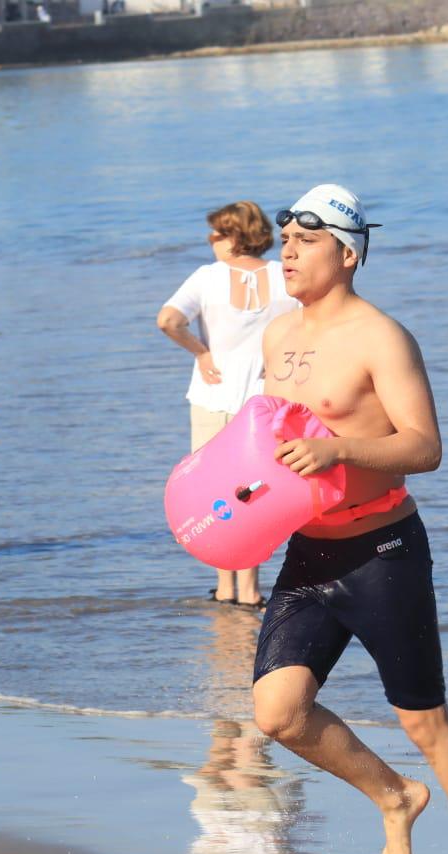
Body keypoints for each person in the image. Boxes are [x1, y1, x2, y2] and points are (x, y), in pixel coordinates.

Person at [251, 183, 448, 854]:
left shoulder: (382, 338)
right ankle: (394, 796)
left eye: (306, 241)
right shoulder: (277, 335)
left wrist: (338, 449)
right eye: (285, 239)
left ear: (348, 254)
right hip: (308, 550)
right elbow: (265, 440)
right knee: (278, 712)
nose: (288, 252)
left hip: (382, 552)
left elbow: (425, 447)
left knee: (425, 722)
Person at [158, 200, 299, 608]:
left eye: (216, 233)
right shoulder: (283, 275)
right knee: (256, 492)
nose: (210, 241)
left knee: (213, 492)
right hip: (266, 403)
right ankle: (251, 591)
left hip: (212, 396)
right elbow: (309, 323)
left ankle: (225, 588)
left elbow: (168, 320)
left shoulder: (207, 277)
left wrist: (201, 353)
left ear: (234, 236)